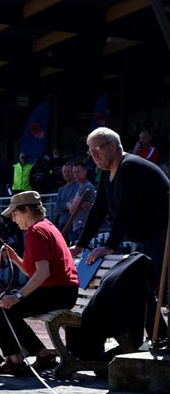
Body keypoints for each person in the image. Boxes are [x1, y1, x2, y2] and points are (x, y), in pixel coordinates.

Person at [70, 127, 168, 336]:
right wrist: (80, 245)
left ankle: (161, 338)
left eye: (97, 150)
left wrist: (110, 245)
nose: (93, 156)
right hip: (144, 237)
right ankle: (160, 337)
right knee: (144, 289)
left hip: (163, 234)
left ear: (112, 146)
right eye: (90, 152)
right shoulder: (107, 173)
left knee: (157, 288)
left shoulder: (130, 167)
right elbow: (98, 210)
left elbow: (126, 209)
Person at [0, 192, 79, 375]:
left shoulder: (35, 231)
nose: (13, 219)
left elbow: (43, 273)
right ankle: (40, 353)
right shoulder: (47, 226)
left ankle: (17, 359)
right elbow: (37, 273)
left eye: (15, 214)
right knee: (0, 304)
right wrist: (15, 258)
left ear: (27, 210)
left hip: (57, 292)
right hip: (62, 291)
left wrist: (18, 296)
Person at [68, 162, 96, 242]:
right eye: (74, 172)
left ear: (85, 171)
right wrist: (75, 204)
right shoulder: (81, 187)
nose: (76, 175)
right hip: (79, 225)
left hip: (82, 225)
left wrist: (73, 204)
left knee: (80, 253)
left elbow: (72, 210)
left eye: (78, 172)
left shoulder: (86, 187)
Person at [54, 163, 77, 236]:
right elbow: (57, 207)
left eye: (68, 171)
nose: (66, 174)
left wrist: (63, 205)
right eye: (64, 172)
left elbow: (74, 204)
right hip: (62, 224)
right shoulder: (61, 190)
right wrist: (68, 205)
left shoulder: (78, 187)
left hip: (74, 224)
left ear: (73, 172)